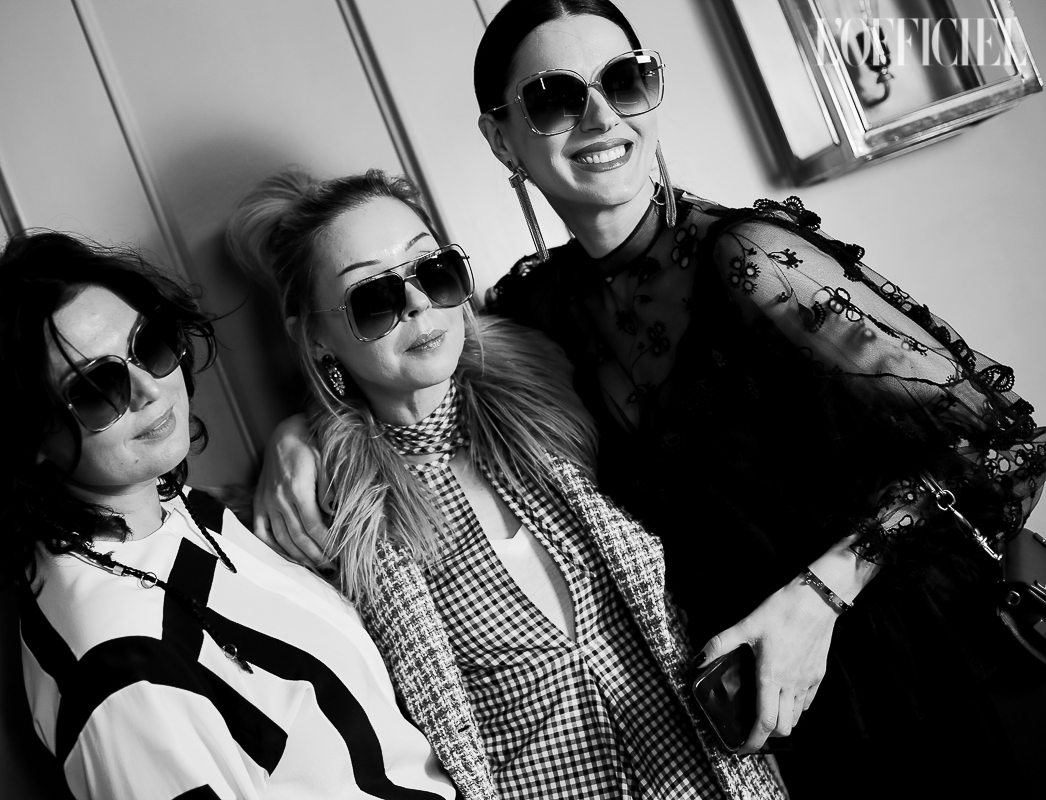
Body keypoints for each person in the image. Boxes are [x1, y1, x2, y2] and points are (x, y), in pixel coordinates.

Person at [254, 1, 1046, 797]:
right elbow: (414, 361)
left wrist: (818, 598)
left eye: (624, 80)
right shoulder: (537, 313)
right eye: (556, 98)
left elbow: (1007, 447)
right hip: (771, 728)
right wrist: (306, 434)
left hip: (923, 665)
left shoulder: (751, 260)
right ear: (502, 138)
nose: (601, 117)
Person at [227, 168, 783, 799]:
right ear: (314, 337)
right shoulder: (326, 516)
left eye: (432, 271)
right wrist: (304, 432)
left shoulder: (554, 372)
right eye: (372, 299)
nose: (418, 303)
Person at [0, 231, 458, 800]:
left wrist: (301, 432)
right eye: (96, 388)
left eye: (150, 343)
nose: (149, 389)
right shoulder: (122, 670)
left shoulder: (168, 507)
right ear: (25, 436)